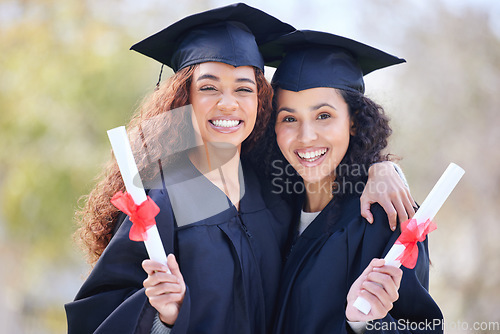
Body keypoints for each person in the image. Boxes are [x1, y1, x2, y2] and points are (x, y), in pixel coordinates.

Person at [65, 4, 416, 334]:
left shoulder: (272, 186)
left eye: (244, 88)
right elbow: (99, 313)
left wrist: (381, 168)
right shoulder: (164, 197)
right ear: (183, 97)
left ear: (260, 100)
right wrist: (163, 318)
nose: (228, 103)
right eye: (208, 87)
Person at [256, 30, 444, 333]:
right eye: (289, 118)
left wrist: (367, 323)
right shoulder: (266, 205)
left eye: (324, 116)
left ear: (354, 121)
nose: (306, 137)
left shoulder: (388, 219)